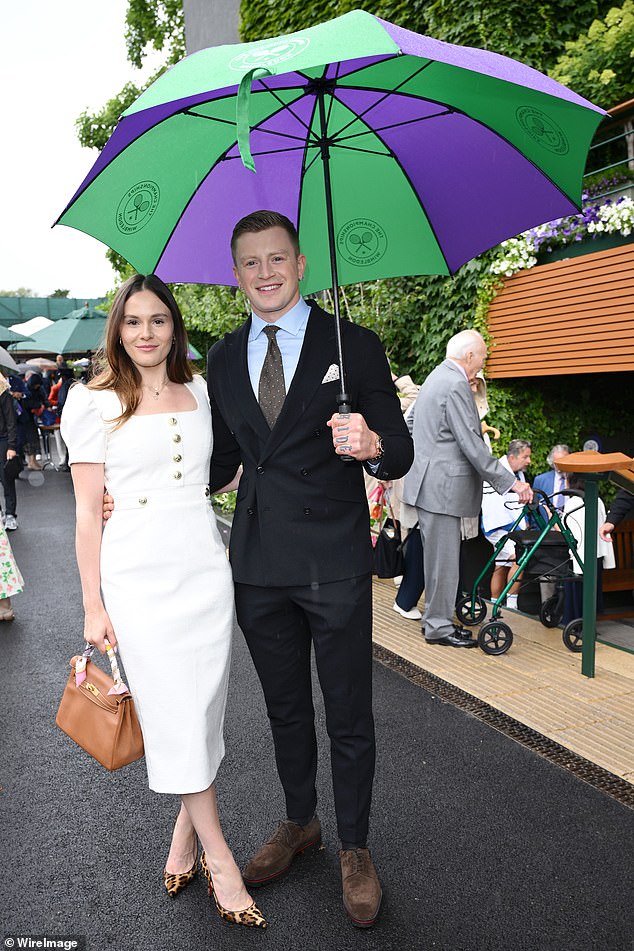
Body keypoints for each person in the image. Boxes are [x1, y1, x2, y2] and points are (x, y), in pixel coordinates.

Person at [201, 210, 412, 928]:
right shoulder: (224, 357)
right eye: (251, 261)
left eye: (277, 258)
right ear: (237, 274)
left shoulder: (352, 345)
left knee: (348, 712)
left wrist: (371, 439)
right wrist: (139, 486)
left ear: (301, 265)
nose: (265, 271)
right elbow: (223, 460)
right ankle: (301, 821)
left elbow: (402, 450)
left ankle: (354, 845)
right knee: (284, 707)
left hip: (334, 563)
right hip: (257, 565)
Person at [61, 274, 266, 930]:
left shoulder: (202, 391)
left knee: (203, 706)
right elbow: (88, 515)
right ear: (116, 330)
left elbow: (221, 471)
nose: (146, 332)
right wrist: (93, 605)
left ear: (175, 327)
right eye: (133, 321)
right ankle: (220, 856)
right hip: (137, 575)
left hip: (204, 566)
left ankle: (181, 839)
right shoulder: (89, 402)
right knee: (175, 712)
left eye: (158, 320)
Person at [402, 330, 533, 647]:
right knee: (443, 561)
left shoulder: (435, 376)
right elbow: (472, 445)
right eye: (483, 357)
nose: (483, 365)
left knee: (436, 561)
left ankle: (436, 621)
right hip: (444, 489)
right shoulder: (456, 383)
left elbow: (410, 422)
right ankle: (439, 627)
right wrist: (511, 482)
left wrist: (422, 461)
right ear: (470, 356)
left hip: (429, 484)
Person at [481, 439, 532, 609]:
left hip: (509, 528)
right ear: (512, 457)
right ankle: (512, 606)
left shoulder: (518, 474)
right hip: (499, 527)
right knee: (519, 559)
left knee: (501, 564)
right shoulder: (499, 471)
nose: (529, 461)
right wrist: (517, 530)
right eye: (525, 457)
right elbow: (493, 508)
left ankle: (494, 604)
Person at [562, 474, 615, 625]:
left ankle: (575, 624)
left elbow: (568, 530)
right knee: (591, 592)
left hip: (577, 557)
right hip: (595, 555)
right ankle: (589, 624)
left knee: (576, 594)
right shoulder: (597, 501)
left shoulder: (572, 503)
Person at [0, 373, 19, 531]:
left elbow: (11, 420)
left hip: (3, 440)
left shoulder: (3, 391)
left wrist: (11, 446)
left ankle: (10, 515)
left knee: (6, 478)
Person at [532, 444, 570, 520]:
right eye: (556, 462)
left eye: (562, 461)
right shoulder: (540, 480)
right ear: (552, 462)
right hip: (548, 527)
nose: (559, 465)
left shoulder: (577, 481)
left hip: (572, 526)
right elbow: (533, 509)